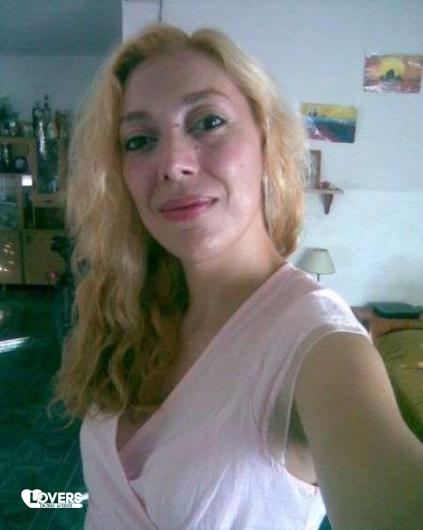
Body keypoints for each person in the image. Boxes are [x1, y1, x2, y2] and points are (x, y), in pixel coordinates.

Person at [49, 23, 423, 530]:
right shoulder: (135, 305)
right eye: (139, 140)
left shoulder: (320, 346)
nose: (173, 164)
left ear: (265, 140)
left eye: (207, 122)